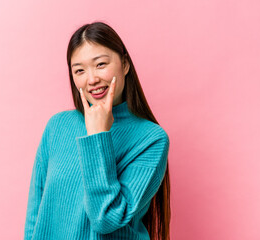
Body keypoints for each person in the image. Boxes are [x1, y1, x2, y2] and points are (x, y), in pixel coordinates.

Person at [24, 21, 171, 240]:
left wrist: (97, 136)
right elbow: (35, 214)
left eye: (100, 64)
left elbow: (105, 219)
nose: (91, 79)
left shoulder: (152, 139)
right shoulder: (57, 126)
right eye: (80, 70)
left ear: (125, 64)